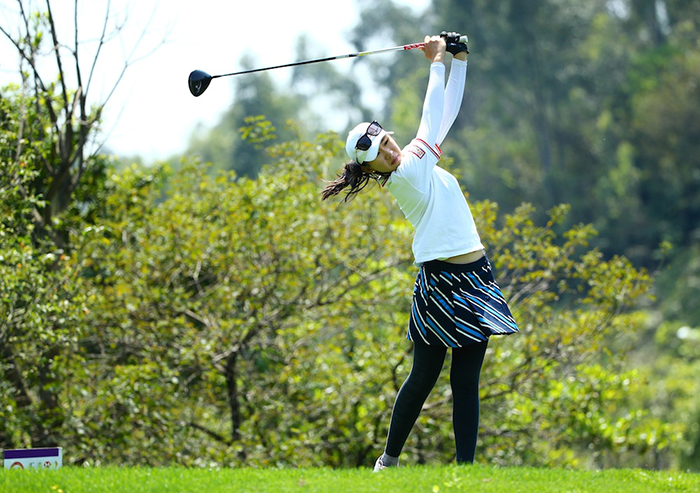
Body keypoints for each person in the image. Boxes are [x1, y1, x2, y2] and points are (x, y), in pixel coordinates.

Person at [321, 33, 519, 470]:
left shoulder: (414, 156)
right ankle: (388, 461)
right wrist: (435, 62)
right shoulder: (407, 174)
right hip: (440, 281)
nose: (388, 153)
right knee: (423, 376)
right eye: (378, 155)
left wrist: (458, 61)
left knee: (466, 380)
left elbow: (444, 116)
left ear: (390, 137)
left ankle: (465, 471)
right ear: (368, 168)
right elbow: (430, 119)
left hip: (476, 276)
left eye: (386, 143)